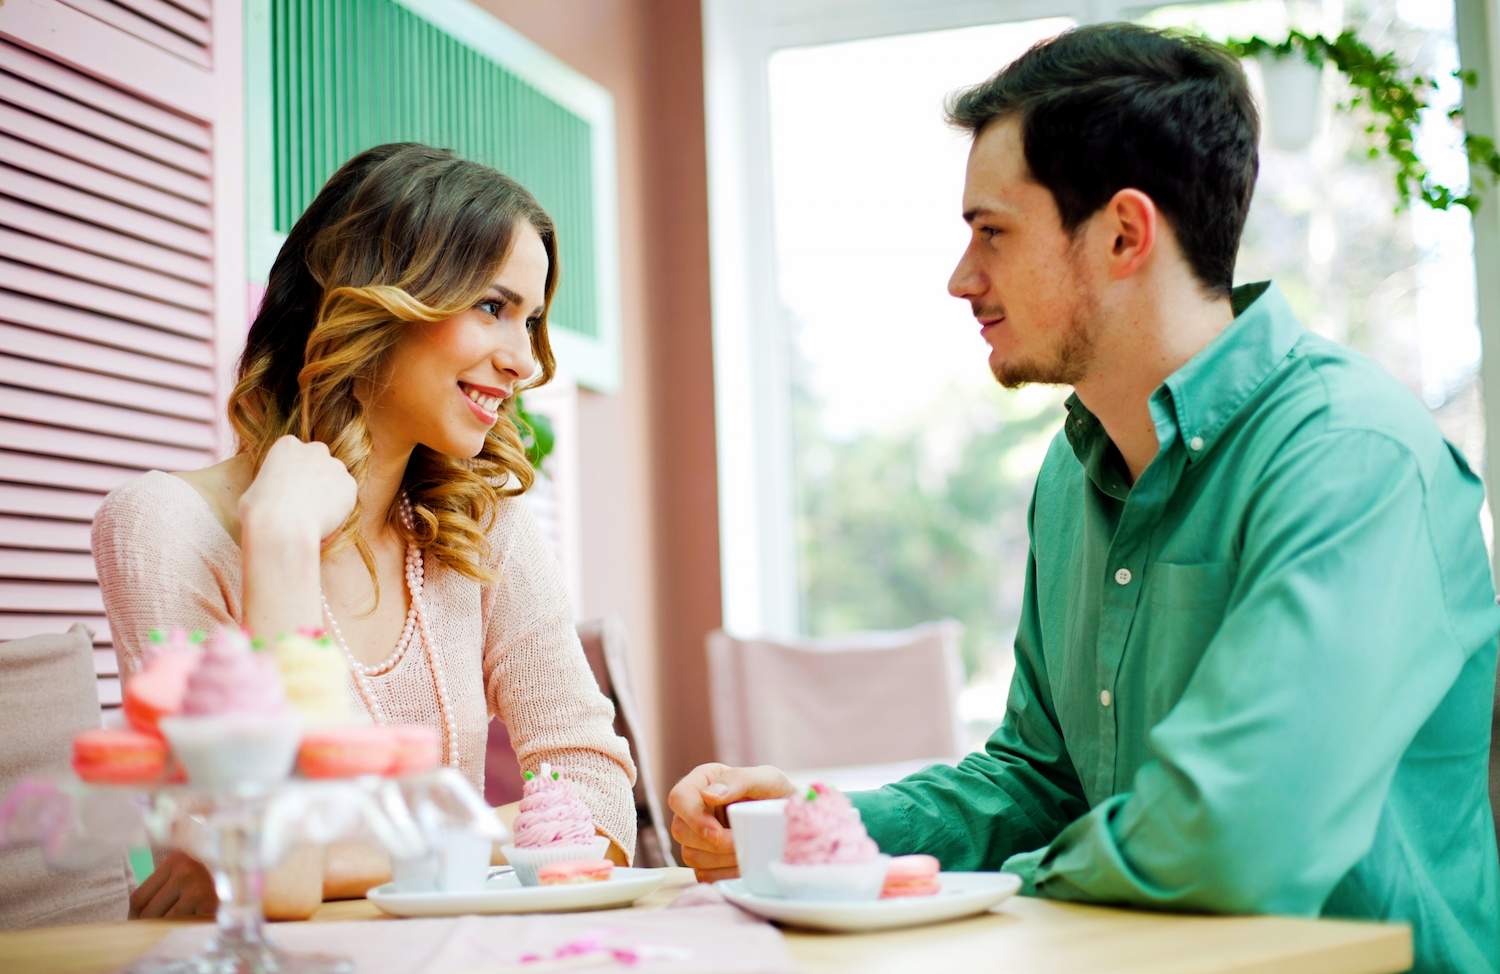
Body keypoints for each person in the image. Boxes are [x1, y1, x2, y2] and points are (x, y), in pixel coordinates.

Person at [669, 24, 1500, 972]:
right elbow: (1041, 777)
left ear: (1122, 234)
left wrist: (945, 892)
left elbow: (1232, 837)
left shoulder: (1351, 457)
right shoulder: (1075, 471)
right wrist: (826, 830)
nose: (961, 278)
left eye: (992, 232)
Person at [92, 143, 637, 918]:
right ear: (378, 299)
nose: (525, 361)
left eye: (533, 318)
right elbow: (276, 880)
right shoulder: (164, 528)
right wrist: (279, 549)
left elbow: (603, 805)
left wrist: (348, 854)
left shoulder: (485, 528)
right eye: (492, 306)